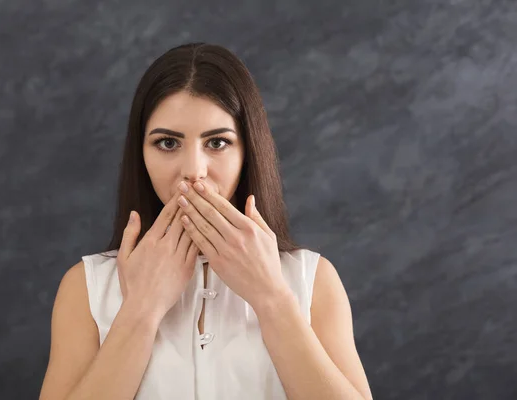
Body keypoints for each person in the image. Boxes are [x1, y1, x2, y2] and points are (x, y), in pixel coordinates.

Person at [39, 42, 373, 400]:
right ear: (141, 154)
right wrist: (141, 309)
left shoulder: (312, 280)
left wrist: (272, 299)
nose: (193, 171)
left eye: (217, 143)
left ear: (248, 152)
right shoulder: (87, 287)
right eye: (168, 143)